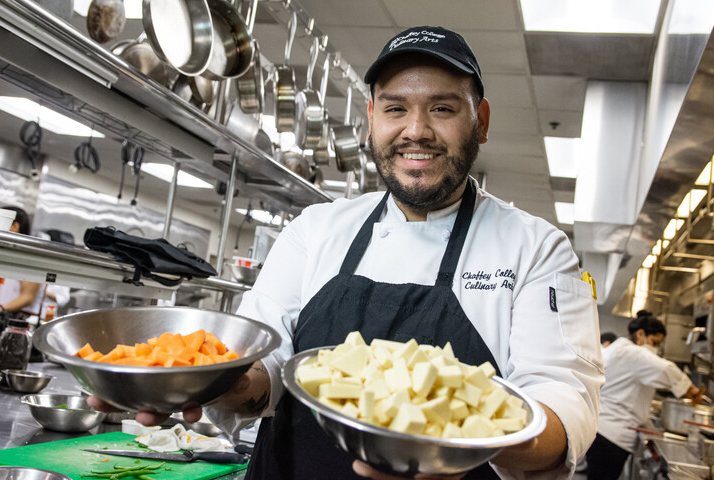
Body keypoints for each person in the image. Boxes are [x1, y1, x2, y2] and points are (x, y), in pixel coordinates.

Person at [90, 25, 604, 479]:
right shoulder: (315, 229)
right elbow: (263, 366)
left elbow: (563, 401)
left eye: (442, 109)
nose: (416, 130)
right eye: (395, 108)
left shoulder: (536, 248)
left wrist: (458, 441)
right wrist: (200, 381)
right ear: (371, 118)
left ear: (481, 121)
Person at [585, 315, 701, 480]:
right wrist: (690, 388)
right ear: (640, 334)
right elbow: (665, 368)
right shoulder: (633, 353)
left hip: (603, 429)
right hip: (613, 435)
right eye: (654, 342)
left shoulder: (619, 348)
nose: (655, 348)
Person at [0, 206, 45, 323]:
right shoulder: (5, 254)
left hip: (15, 321)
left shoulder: (29, 258)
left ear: (15, 226)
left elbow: (27, 297)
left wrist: (1, 309)